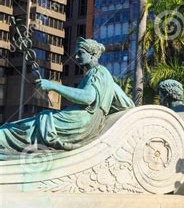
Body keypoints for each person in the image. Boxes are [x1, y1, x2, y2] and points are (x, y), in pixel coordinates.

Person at [0, 38, 134, 158]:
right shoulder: (104, 75)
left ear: (92, 54)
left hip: (79, 122)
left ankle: (4, 139)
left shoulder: (98, 72)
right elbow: (127, 104)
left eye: (80, 53)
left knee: (28, 128)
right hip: (80, 120)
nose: (76, 56)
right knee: (32, 125)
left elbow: (88, 97)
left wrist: (53, 86)